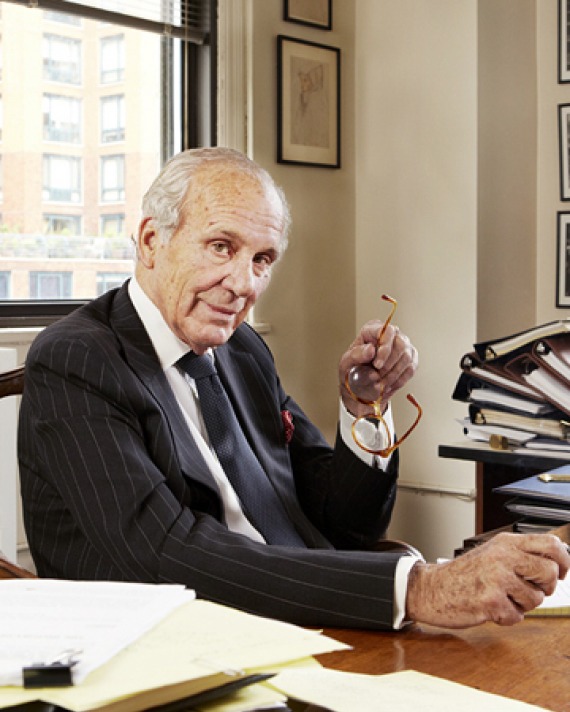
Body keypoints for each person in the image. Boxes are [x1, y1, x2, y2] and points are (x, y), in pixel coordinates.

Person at [18, 147, 569, 631]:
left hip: (306, 616)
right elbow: (163, 551)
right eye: (220, 246)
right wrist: (418, 588)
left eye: (262, 260)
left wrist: (364, 406)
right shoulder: (77, 359)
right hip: (174, 639)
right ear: (151, 241)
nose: (244, 285)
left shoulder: (241, 350)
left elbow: (346, 523)